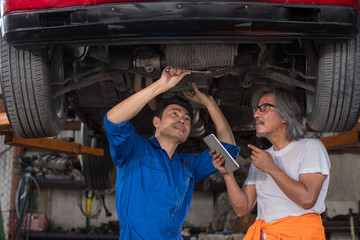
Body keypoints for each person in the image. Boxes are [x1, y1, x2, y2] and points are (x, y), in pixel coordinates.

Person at [104, 67, 239, 240]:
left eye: (186, 118)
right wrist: (161, 85)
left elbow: (228, 151)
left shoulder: (188, 165)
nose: (181, 119)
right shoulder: (134, 150)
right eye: (174, 114)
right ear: (156, 122)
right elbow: (113, 120)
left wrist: (209, 103)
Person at [212, 87, 330, 239]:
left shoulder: (310, 147)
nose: (255, 114)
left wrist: (271, 168)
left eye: (264, 108)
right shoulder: (262, 158)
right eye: (256, 109)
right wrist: (228, 174)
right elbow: (242, 209)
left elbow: (307, 199)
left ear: (285, 116)